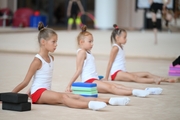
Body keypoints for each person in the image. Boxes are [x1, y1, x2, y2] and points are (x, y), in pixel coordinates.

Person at [11, 22, 134, 111]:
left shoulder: (51, 58)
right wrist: (8, 96)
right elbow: (25, 81)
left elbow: (38, 79)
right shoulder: (37, 61)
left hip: (43, 91)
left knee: (75, 96)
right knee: (64, 97)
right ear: (43, 42)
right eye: (53, 42)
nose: (56, 45)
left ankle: (109, 101)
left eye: (56, 42)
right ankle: (90, 105)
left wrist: (29, 92)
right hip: (38, 94)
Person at [65, 25, 163, 98]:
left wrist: (102, 78)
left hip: (95, 79)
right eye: (90, 41)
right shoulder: (81, 52)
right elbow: (78, 70)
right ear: (81, 42)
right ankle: (135, 92)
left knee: (116, 85)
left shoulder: (87, 52)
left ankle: (141, 90)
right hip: (88, 81)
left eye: (92, 41)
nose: (92, 44)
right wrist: (69, 85)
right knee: (112, 89)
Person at [104, 24, 177, 85]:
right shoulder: (115, 48)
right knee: (135, 78)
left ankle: (164, 79)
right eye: (124, 37)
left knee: (146, 73)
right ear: (117, 38)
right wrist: (106, 78)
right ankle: (155, 80)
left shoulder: (121, 47)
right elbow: (110, 63)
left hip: (122, 72)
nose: (126, 39)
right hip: (116, 74)